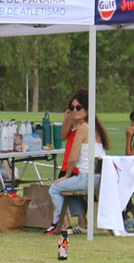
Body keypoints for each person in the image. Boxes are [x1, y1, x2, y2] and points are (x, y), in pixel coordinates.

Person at [45, 90, 108, 235]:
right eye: (72, 107)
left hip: (88, 177)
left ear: (87, 109)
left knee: (54, 188)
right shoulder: (95, 128)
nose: (74, 110)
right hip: (101, 176)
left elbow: (73, 157)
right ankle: (81, 223)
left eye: (78, 108)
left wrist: (66, 175)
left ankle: (64, 225)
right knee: (67, 188)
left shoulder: (83, 128)